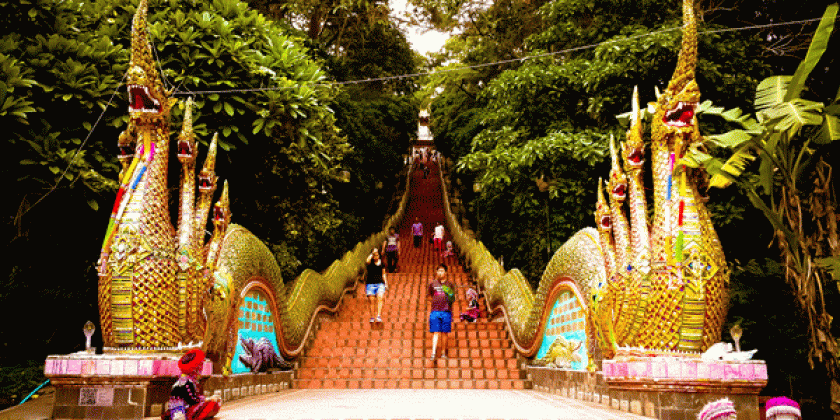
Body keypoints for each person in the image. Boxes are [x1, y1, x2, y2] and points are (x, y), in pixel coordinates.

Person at [162, 349, 220, 420]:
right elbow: (193, 400)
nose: (201, 368)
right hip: (180, 412)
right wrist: (208, 399)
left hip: (182, 408)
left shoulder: (187, 379)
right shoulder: (187, 381)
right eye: (200, 365)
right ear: (195, 367)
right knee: (212, 404)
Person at [427, 263, 455, 360]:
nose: (440, 272)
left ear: (446, 272)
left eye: (442, 271)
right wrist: (435, 302)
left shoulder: (449, 284)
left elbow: (452, 298)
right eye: (438, 270)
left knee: (444, 333)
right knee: (435, 331)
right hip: (435, 311)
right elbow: (429, 296)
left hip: (446, 311)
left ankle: (443, 353)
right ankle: (433, 353)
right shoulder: (432, 284)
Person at [365, 248, 388, 323]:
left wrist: (386, 284)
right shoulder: (370, 263)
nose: (376, 256)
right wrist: (372, 253)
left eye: (377, 255)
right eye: (374, 255)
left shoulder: (382, 263)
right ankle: (372, 317)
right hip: (370, 284)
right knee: (371, 301)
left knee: (380, 298)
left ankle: (378, 316)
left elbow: (383, 274)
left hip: (380, 283)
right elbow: (367, 260)